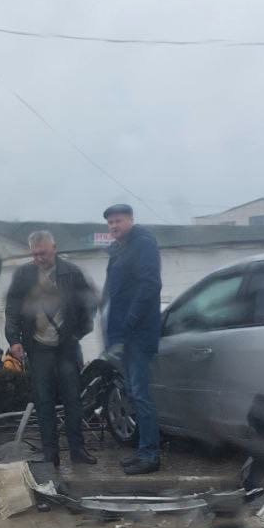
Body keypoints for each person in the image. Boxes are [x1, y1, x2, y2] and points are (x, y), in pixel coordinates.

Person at [4, 231, 98, 467]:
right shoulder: (24, 275)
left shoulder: (71, 273)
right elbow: (13, 309)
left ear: (54, 248)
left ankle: (78, 451)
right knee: (43, 402)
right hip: (38, 348)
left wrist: (78, 334)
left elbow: (88, 305)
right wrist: (14, 340)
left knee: (73, 401)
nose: (39, 258)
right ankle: (50, 454)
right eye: (34, 254)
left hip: (67, 346)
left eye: (43, 253)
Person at [101, 204, 164, 475]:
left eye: (118, 220)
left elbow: (150, 285)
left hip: (138, 333)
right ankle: (142, 450)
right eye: (110, 222)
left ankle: (151, 455)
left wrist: (129, 321)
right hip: (121, 335)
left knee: (140, 394)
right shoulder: (118, 250)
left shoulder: (143, 244)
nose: (114, 226)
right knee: (131, 393)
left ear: (131, 220)